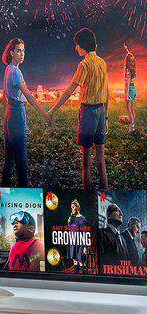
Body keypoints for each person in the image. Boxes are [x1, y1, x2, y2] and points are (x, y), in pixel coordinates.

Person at [45, 27, 109, 191]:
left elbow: (70, 90)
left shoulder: (84, 64)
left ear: (83, 45)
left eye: (77, 45)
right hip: (101, 111)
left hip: (88, 113)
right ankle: (105, 192)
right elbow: (106, 92)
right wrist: (106, 117)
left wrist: (52, 110)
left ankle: (86, 196)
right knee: (101, 162)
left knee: (86, 164)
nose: (75, 48)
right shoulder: (102, 63)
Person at [0, 38, 31, 186]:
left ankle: (3, 190)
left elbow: (5, 95)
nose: (22, 53)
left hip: (10, 116)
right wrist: (46, 114)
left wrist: (7, 117)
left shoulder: (8, 69)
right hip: (16, 115)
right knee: (21, 165)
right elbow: (29, 96)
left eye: (23, 50)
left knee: (9, 162)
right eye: (18, 50)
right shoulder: (16, 72)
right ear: (12, 52)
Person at [124, 46, 138, 134]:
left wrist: (126, 95)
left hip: (129, 90)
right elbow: (130, 56)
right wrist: (126, 49)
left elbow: (127, 85)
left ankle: (132, 128)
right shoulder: (133, 69)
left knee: (129, 110)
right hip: (133, 90)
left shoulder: (128, 71)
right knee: (132, 109)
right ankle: (133, 125)